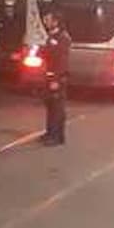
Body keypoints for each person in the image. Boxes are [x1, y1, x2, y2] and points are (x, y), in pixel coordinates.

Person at [40, 10, 72, 146]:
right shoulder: (52, 36)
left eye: (48, 19)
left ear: (55, 21)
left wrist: (56, 79)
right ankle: (49, 132)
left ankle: (57, 136)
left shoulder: (62, 38)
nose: (45, 22)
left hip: (57, 77)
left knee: (57, 107)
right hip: (50, 75)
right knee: (50, 105)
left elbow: (61, 61)